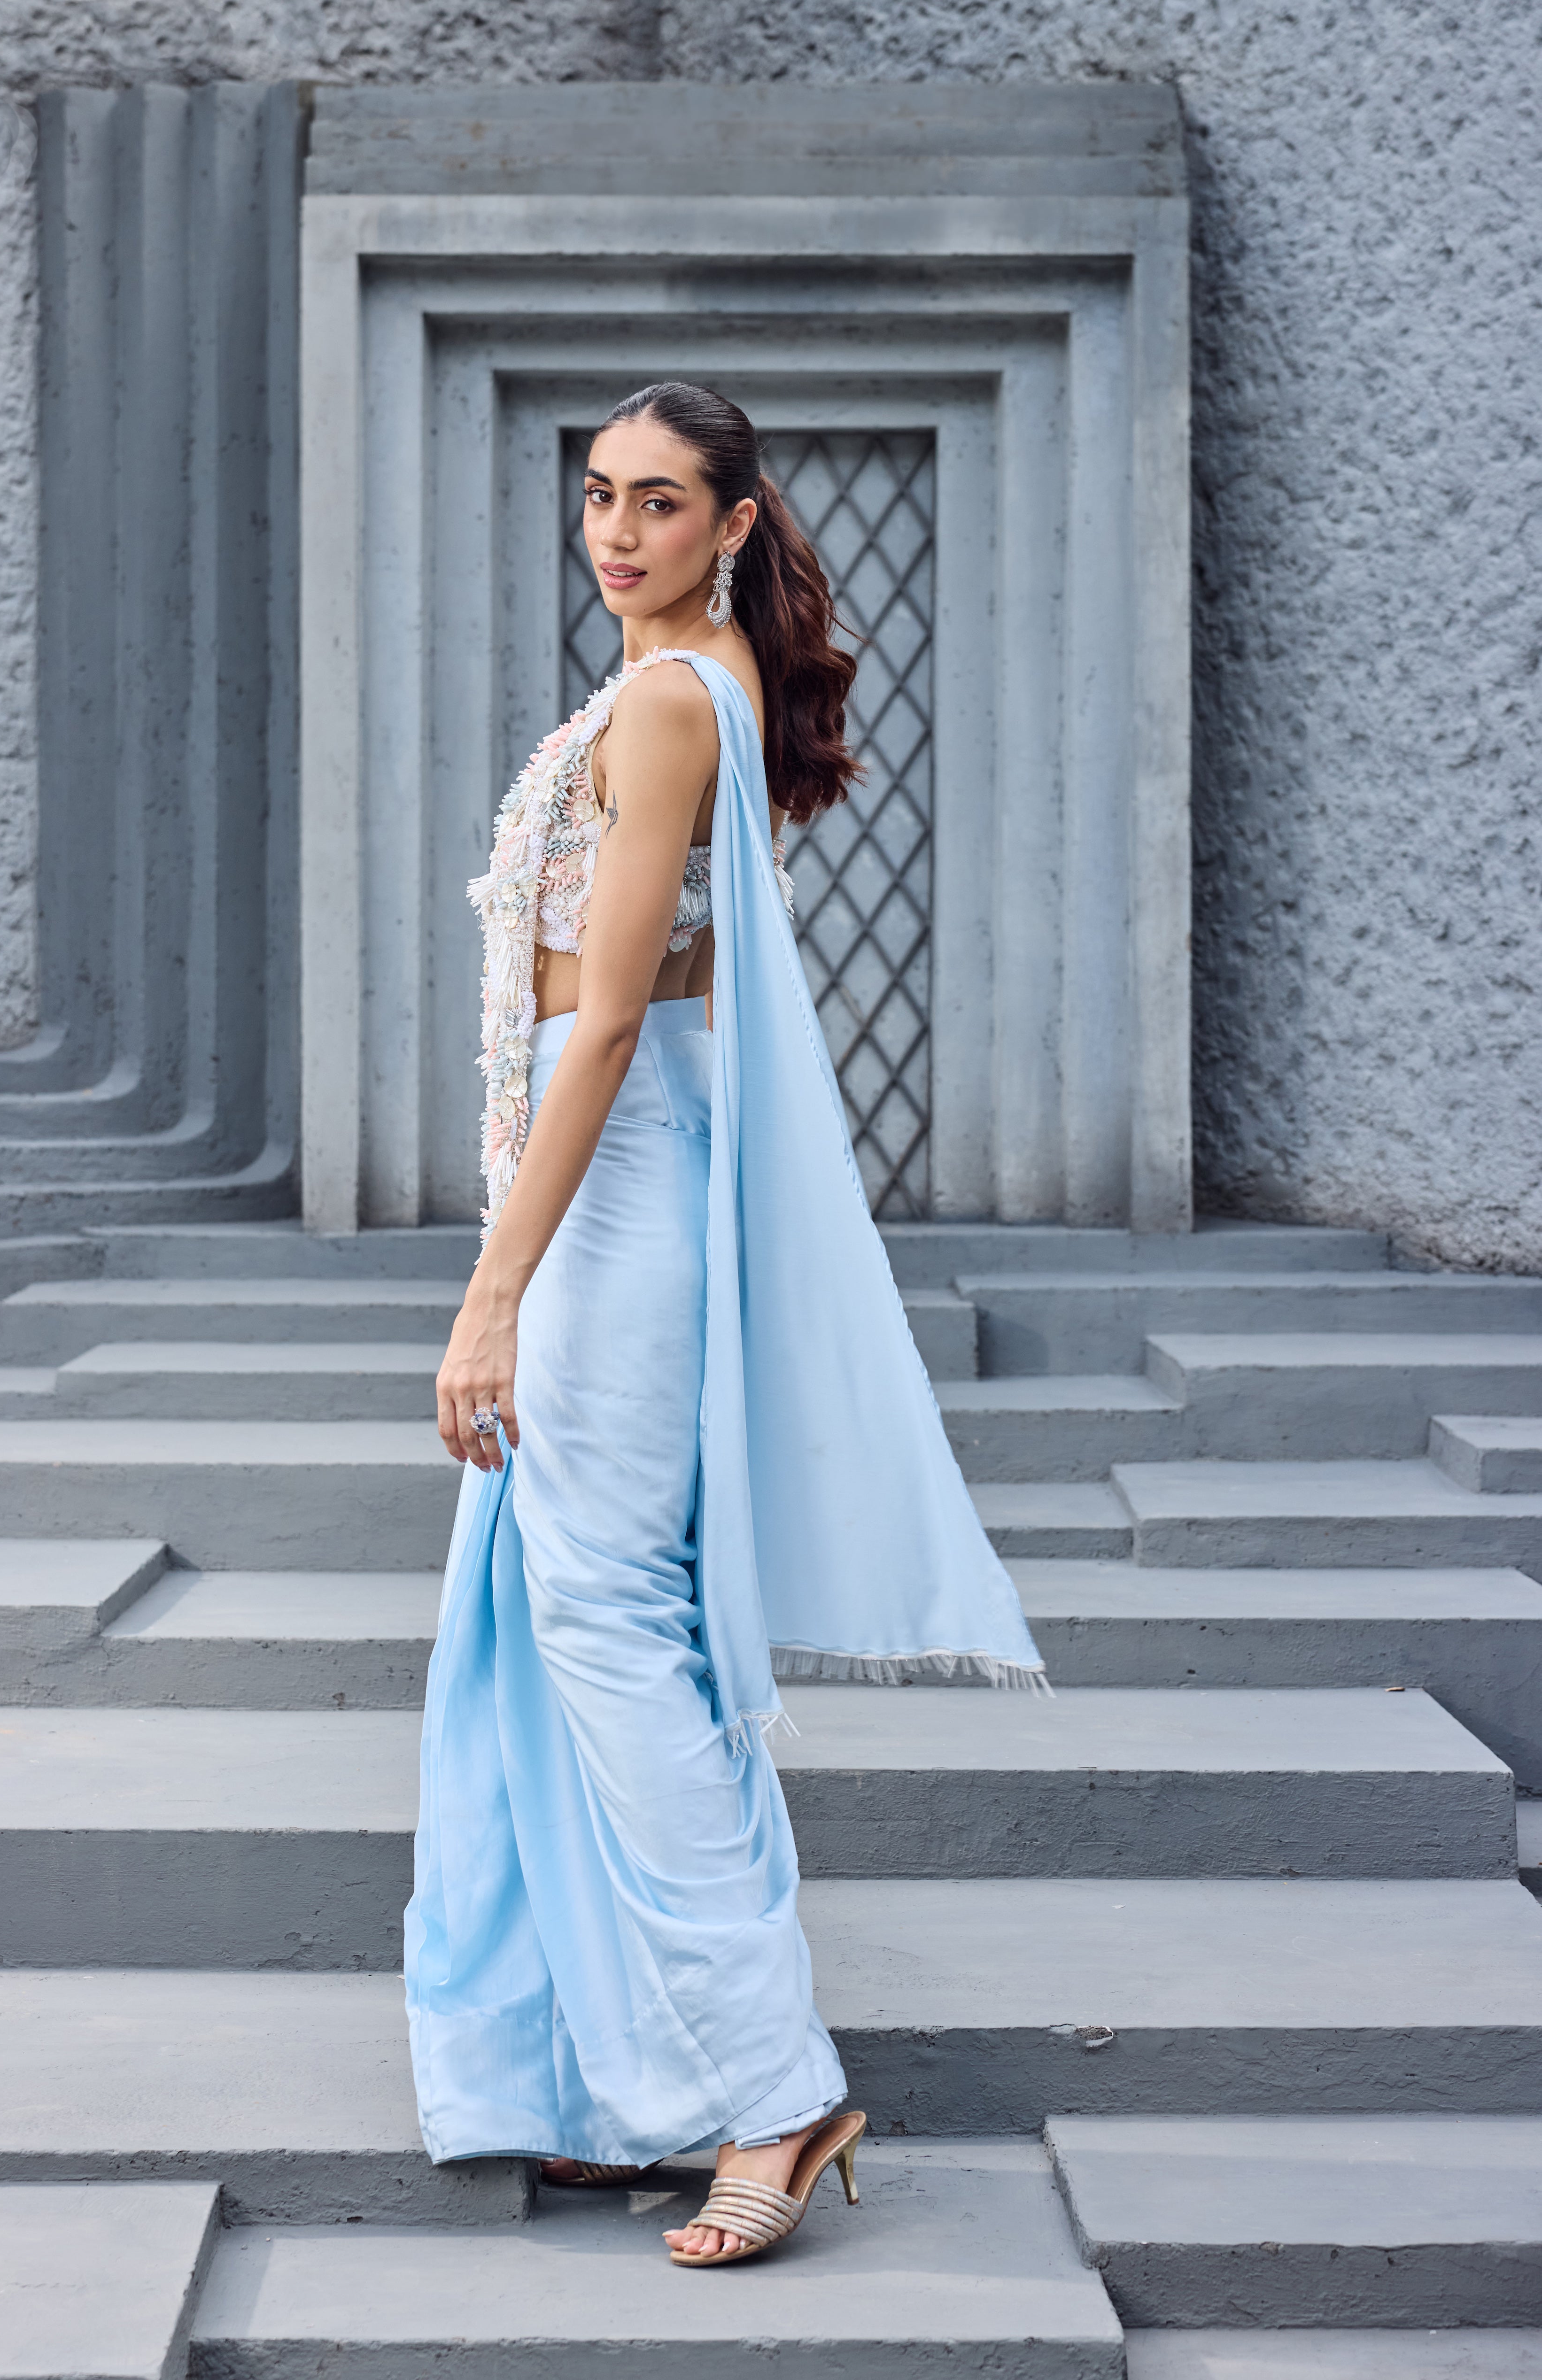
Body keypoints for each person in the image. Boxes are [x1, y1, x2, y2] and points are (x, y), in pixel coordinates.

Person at [404, 380, 1047, 2267]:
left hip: (615, 1204)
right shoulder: (669, 689)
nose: (615, 532)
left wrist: (492, 1291)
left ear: (733, 524)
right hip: (616, 1180)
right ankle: (646, 2083)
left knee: (601, 1621)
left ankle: (772, 2088)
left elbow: (602, 1019)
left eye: (661, 504)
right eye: (597, 496)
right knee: (585, 1623)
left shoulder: (675, 701)